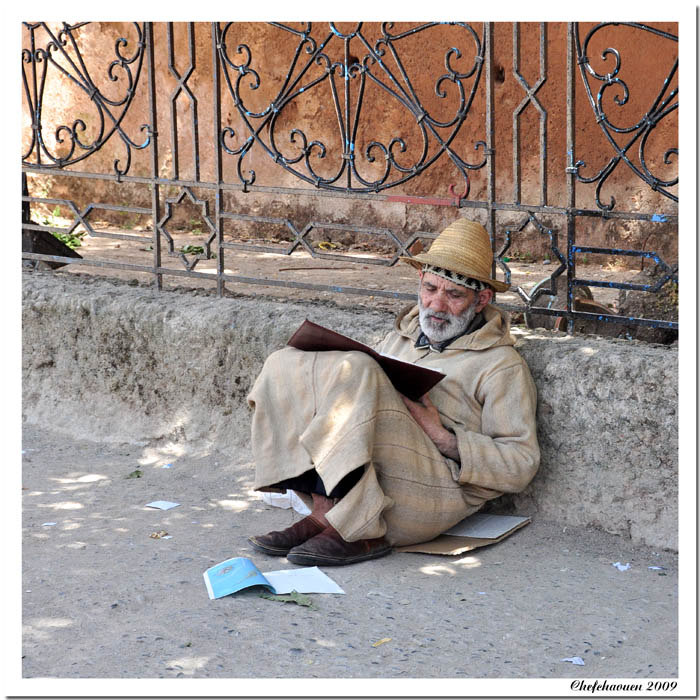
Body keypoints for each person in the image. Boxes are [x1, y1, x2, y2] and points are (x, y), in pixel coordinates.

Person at [246, 218, 540, 566]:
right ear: (419, 281)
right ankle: (325, 514)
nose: (437, 305)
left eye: (454, 295)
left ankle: (360, 529)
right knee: (287, 361)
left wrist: (443, 437)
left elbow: (522, 464)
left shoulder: (501, 364)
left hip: (431, 497)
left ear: (482, 300)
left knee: (359, 369)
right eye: (430, 288)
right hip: (379, 479)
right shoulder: (402, 337)